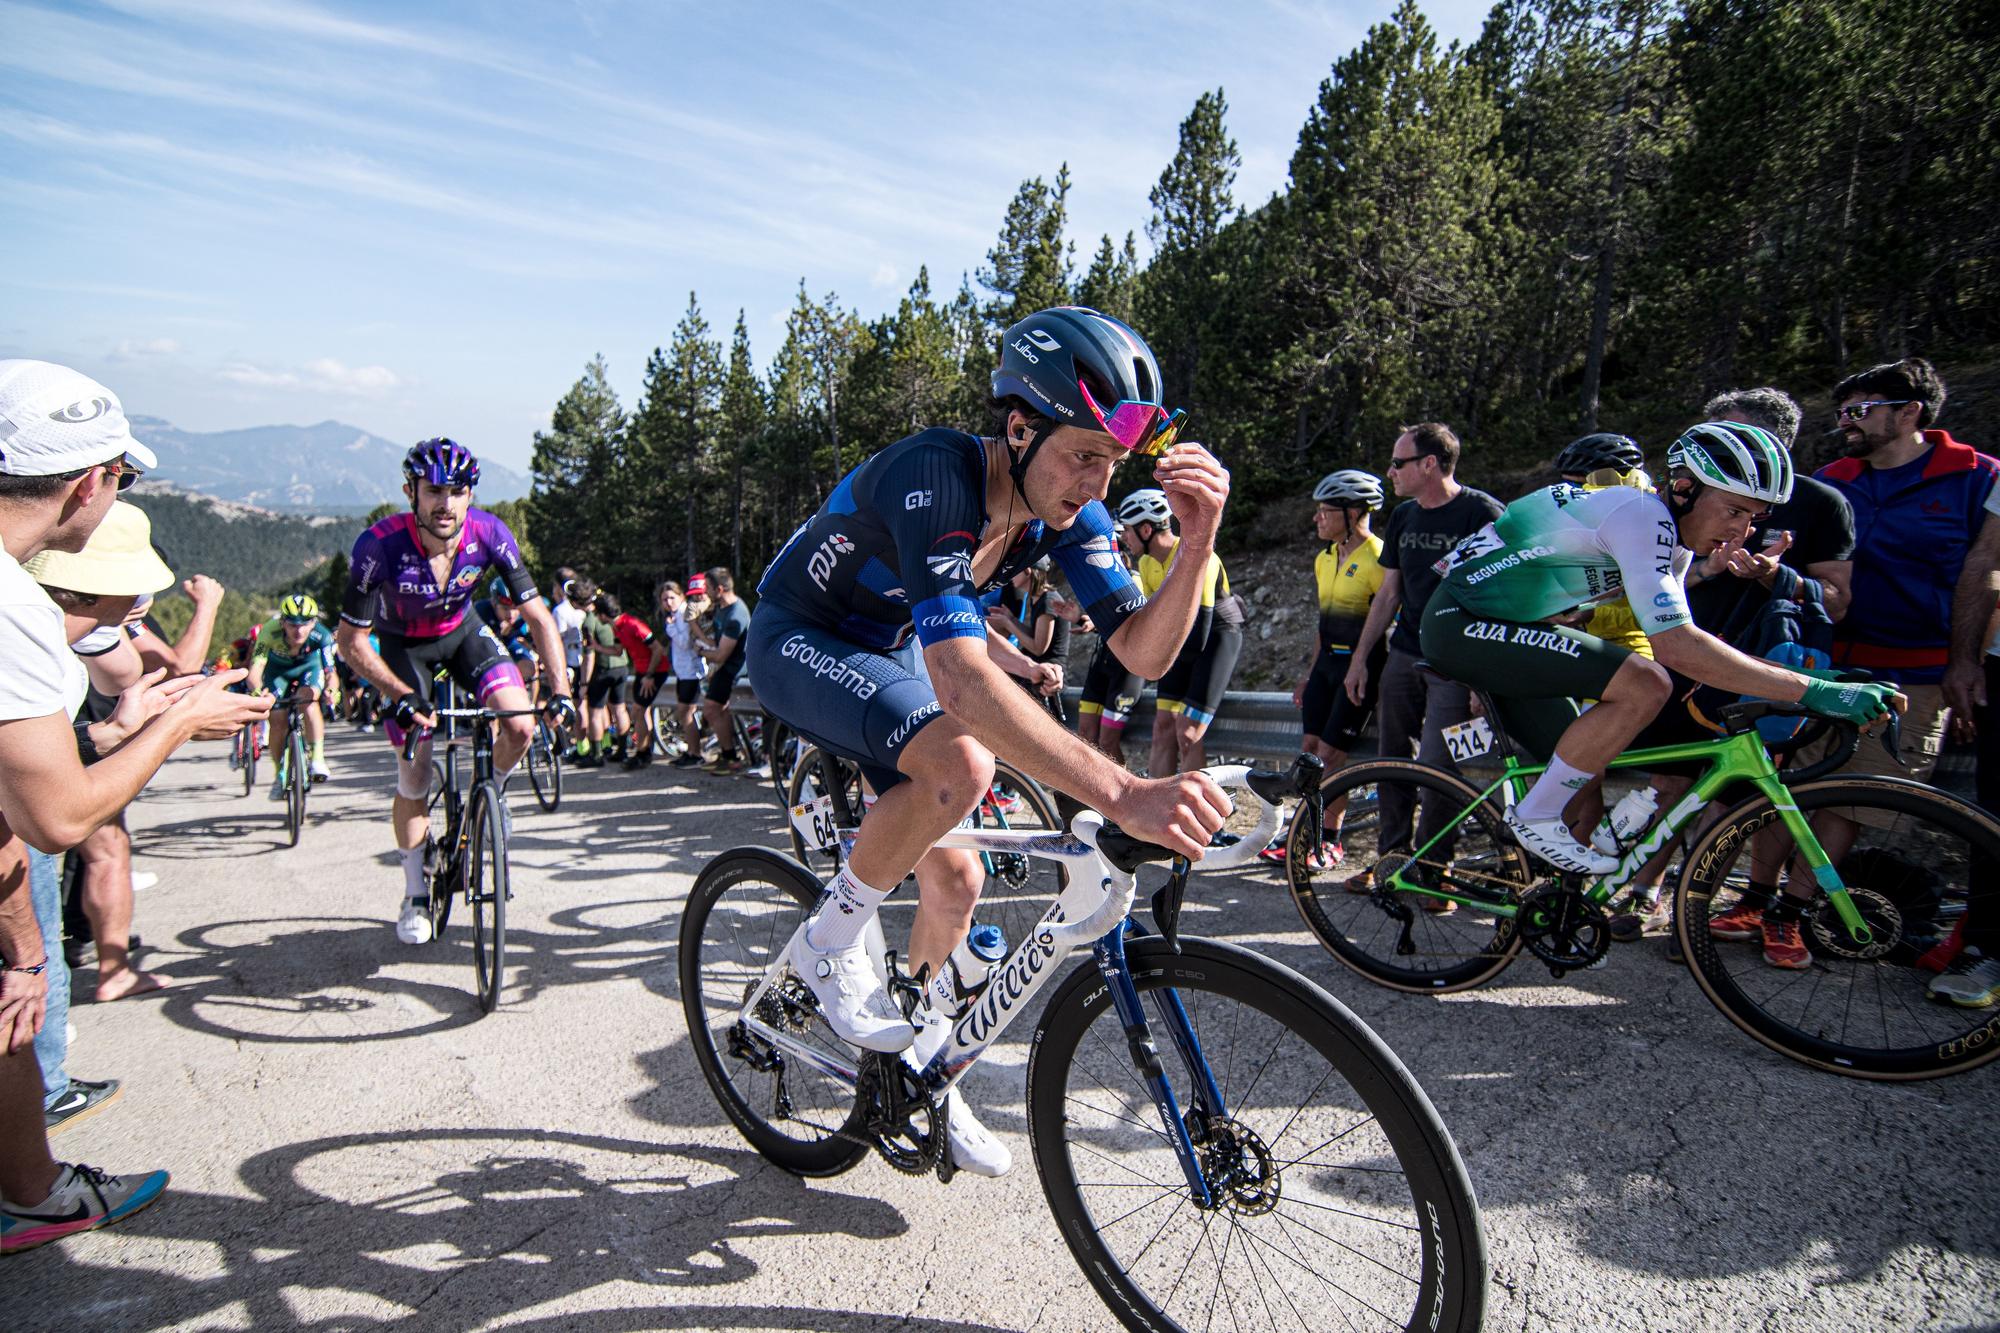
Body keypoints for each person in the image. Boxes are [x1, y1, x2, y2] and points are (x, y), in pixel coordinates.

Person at [748, 304, 1232, 1179]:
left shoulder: (1071, 513)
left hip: (883, 648)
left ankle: (923, 1068)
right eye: (1084, 453)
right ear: (1020, 427)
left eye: (1113, 462)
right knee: (959, 762)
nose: (1097, 482)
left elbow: (1143, 651)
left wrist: (1196, 548)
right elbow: (964, 683)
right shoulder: (937, 472)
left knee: (960, 879)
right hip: (801, 638)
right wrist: (1121, 794)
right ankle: (825, 950)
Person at [0, 359, 262, 1252]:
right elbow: (60, 819)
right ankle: (36, 1195)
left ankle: (33, 1191)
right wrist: (181, 716)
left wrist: (28, 952)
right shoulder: (14, 609)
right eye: (122, 477)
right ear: (86, 482)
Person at [1417, 420, 1902, 879]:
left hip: (1503, 624)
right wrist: (1809, 690)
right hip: (1459, 623)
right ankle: (1533, 818)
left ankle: (1546, 896)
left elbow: (1689, 638)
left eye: (1754, 518)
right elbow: (1675, 649)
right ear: (1686, 488)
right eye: (1734, 511)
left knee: (1582, 776)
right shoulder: (1640, 515)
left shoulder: (1672, 539)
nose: (1741, 531)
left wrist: (1827, 681)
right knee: (1645, 683)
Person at [332, 439, 574, 945]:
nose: (445, 503)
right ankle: (416, 891)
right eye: (433, 491)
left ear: (470, 495)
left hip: (463, 635)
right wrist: (398, 693)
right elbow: (350, 639)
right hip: (403, 650)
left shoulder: (490, 533)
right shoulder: (379, 545)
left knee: (521, 723)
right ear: (411, 493)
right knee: (415, 768)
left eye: (457, 491)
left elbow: (538, 618)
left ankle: (496, 794)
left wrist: (562, 689)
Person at [23, 503, 178, 1002]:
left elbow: (122, 676)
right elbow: (59, 818)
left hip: (37, 794)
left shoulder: (59, 624)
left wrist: (106, 736)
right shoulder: (25, 639)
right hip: (27, 831)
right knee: (33, 968)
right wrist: (181, 722)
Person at [1344, 423, 1506, 877]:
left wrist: (1485, 676)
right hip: (1405, 654)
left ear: (1429, 464)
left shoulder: (1483, 514)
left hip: (1458, 663)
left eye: (1398, 463)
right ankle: (1391, 863)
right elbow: (1389, 592)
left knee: (1439, 766)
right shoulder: (1404, 517)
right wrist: (1361, 660)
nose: (1390, 472)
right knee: (1391, 761)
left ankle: (1434, 868)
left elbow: (1506, 594)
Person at [1265, 469, 1387, 867]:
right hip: (1327, 666)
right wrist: (1309, 673)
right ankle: (1304, 830)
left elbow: (1386, 622)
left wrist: (1361, 665)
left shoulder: (1380, 557)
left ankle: (1330, 841)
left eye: (1325, 511)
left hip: (1362, 668)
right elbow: (1324, 621)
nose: (1317, 519)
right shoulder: (1325, 557)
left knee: (1332, 756)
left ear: (1353, 513)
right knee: (1309, 753)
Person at [1120, 490, 1244, 778]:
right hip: (1181, 642)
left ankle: (1196, 811)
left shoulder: (1200, 556)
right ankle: (1156, 810)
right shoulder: (1147, 563)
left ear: (1146, 529)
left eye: (1127, 530)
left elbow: (1199, 634)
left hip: (1216, 637)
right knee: (1163, 727)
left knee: (1187, 731)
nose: (1125, 537)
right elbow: (1152, 622)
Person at [246, 594, 335, 795]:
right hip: (277, 672)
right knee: (277, 719)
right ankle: (279, 774)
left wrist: (331, 691)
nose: (299, 629)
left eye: (305, 623)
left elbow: (331, 672)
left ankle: (318, 760)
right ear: (282, 622)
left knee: (309, 700)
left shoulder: (323, 636)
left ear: (314, 623)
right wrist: (258, 691)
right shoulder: (269, 632)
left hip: (308, 667)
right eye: (293, 624)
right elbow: (255, 670)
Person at [1073, 523, 1144, 761]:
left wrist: (1094, 624)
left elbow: (1132, 620)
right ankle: (1092, 797)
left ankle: (1124, 796)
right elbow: (1097, 620)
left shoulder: (1134, 579)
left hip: (1125, 668)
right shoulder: (1100, 582)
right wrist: (1078, 618)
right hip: (1102, 660)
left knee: (1107, 742)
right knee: (1084, 734)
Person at [985, 560, 1072, 724]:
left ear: (1029, 571)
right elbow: (1034, 636)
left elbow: (1039, 648)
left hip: (1049, 676)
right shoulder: (1037, 598)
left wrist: (1008, 623)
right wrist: (1010, 618)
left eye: (1014, 570)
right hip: (1039, 672)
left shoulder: (1048, 600)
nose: (1010, 576)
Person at [694, 568, 751, 774]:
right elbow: (714, 643)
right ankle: (728, 754)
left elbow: (720, 655)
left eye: (708, 588)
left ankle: (731, 758)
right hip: (724, 667)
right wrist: (693, 625)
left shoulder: (736, 615)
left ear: (719, 589)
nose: (705, 592)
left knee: (710, 709)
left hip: (734, 669)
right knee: (717, 710)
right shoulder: (722, 609)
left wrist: (701, 651)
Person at [579, 590, 632, 767]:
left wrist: (584, 682)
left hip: (603, 669)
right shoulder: (619, 619)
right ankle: (622, 750)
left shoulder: (590, 621)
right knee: (620, 709)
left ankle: (596, 754)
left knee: (595, 711)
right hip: (622, 665)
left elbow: (589, 654)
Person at [658, 580, 707, 768]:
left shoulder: (684, 614)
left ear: (681, 597)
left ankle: (696, 753)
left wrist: (670, 628)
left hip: (691, 671)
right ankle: (691, 751)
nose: (668, 602)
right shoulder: (674, 615)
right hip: (683, 672)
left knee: (686, 713)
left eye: (672, 597)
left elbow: (685, 642)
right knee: (684, 713)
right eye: (664, 599)